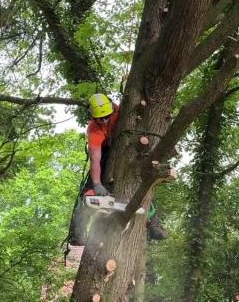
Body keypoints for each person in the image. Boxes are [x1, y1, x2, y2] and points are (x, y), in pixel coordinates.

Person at [67, 93, 167, 246]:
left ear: (112, 109)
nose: (104, 121)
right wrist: (96, 183)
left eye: (107, 116)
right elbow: (95, 158)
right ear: (93, 117)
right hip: (105, 152)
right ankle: (77, 233)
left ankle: (154, 223)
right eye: (100, 119)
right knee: (86, 191)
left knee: (142, 181)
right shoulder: (94, 130)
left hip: (130, 148)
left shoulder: (123, 112)